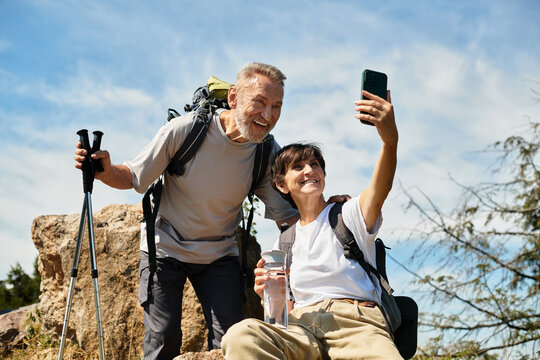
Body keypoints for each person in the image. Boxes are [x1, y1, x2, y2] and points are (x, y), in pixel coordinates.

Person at [74, 62, 301, 359]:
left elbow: (290, 216)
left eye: (276, 106)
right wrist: (104, 171)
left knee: (232, 341)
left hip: (219, 255)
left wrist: (331, 211)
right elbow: (132, 175)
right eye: (259, 102)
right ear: (233, 98)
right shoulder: (188, 130)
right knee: (164, 339)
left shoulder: (266, 152)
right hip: (165, 247)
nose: (268, 116)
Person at [221, 88, 401, 359]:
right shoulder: (283, 243)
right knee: (241, 335)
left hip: (355, 324)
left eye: (315, 165)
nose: (309, 171)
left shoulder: (347, 214)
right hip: (301, 328)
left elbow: (381, 188)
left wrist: (389, 141)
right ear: (281, 185)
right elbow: (280, 317)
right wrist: (267, 296)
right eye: (298, 167)